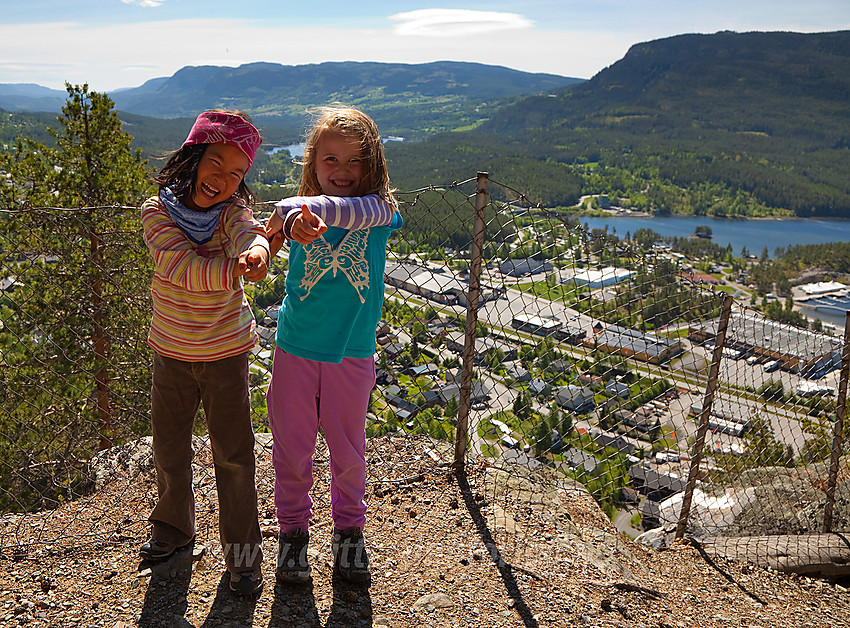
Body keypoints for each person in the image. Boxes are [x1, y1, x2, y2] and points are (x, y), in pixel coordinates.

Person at [264, 106, 402, 585]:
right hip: (296, 347)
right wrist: (283, 229)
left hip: (351, 351)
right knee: (292, 447)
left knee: (347, 449)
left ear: (374, 166)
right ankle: (293, 536)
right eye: (330, 160)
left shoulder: (379, 212)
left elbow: (339, 210)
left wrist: (295, 211)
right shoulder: (304, 209)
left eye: (355, 161)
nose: (342, 172)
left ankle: (349, 534)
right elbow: (270, 238)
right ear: (313, 162)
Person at [140, 110, 269, 596]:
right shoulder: (156, 212)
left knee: (234, 456)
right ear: (192, 158)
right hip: (171, 352)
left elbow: (249, 231)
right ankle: (174, 530)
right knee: (169, 449)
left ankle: (242, 554)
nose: (224, 179)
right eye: (216, 163)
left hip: (225, 354)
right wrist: (237, 269)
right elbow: (182, 269)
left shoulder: (232, 211)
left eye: (237, 172)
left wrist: (257, 249)